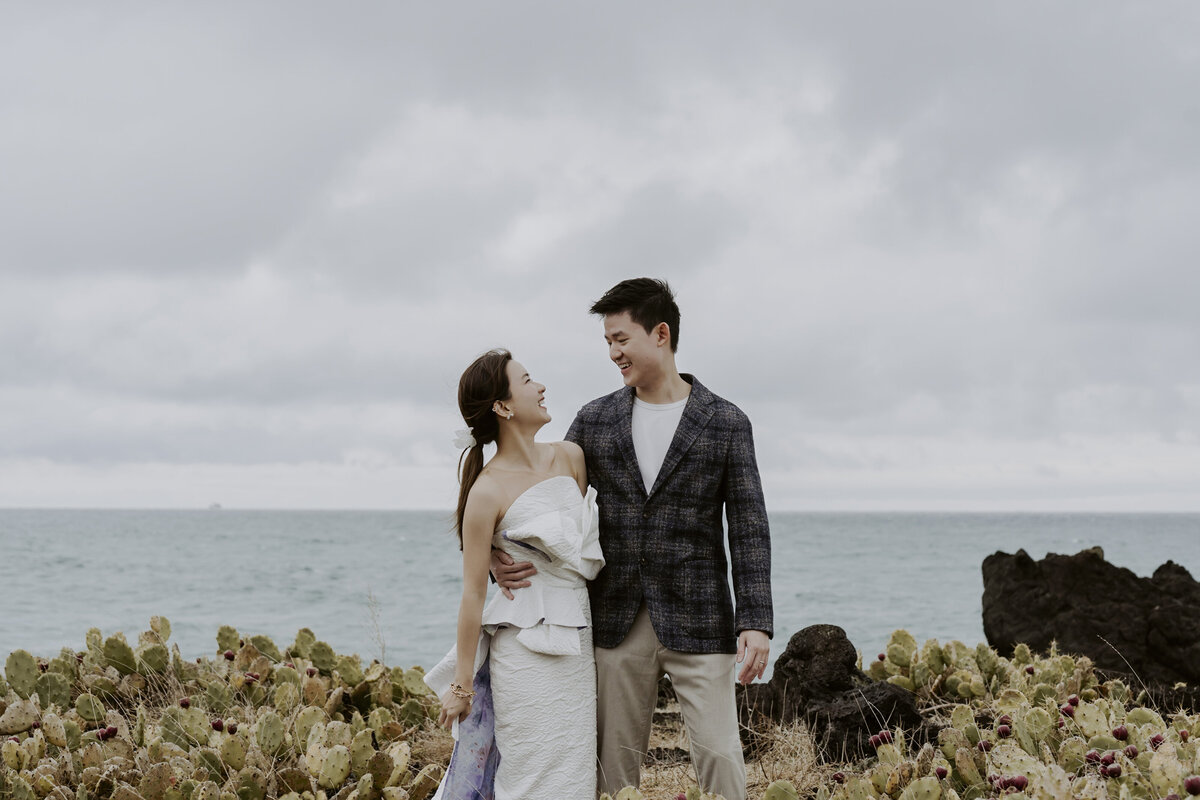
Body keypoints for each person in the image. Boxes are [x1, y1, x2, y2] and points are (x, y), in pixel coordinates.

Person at [494, 278, 773, 800]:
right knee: (610, 768)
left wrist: (755, 622)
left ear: (660, 334)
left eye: (620, 339)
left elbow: (749, 526)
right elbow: (542, 491)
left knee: (720, 757)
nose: (613, 353)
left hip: (701, 617)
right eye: (607, 343)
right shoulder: (595, 419)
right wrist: (492, 549)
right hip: (616, 618)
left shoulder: (727, 422)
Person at [425, 349, 605, 800]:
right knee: (528, 775)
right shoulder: (486, 491)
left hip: (577, 644)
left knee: (574, 774)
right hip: (523, 654)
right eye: (527, 381)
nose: (541, 386)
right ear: (503, 406)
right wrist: (461, 686)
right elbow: (471, 596)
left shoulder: (571, 458)